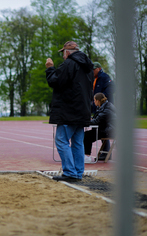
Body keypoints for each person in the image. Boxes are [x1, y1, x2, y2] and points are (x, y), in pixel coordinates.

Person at [45, 41, 93, 182]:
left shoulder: (69, 64)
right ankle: (77, 172)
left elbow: (56, 82)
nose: (63, 56)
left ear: (67, 52)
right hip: (83, 109)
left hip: (69, 110)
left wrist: (50, 69)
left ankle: (70, 172)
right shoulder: (88, 66)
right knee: (78, 142)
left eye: (63, 53)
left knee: (61, 140)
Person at [84, 93, 116, 163]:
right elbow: (98, 118)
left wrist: (84, 121)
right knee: (86, 134)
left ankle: (87, 156)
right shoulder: (104, 107)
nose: (93, 102)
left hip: (109, 131)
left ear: (98, 100)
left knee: (86, 136)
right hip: (106, 129)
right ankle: (85, 155)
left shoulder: (107, 109)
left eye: (94, 100)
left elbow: (97, 121)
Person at [92, 62, 114, 159]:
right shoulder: (95, 79)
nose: (92, 71)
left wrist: (102, 99)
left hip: (106, 108)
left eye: (93, 69)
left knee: (104, 129)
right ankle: (105, 154)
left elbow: (112, 88)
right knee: (100, 129)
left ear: (98, 68)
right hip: (98, 108)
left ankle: (106, 154)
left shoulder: (105, 77)